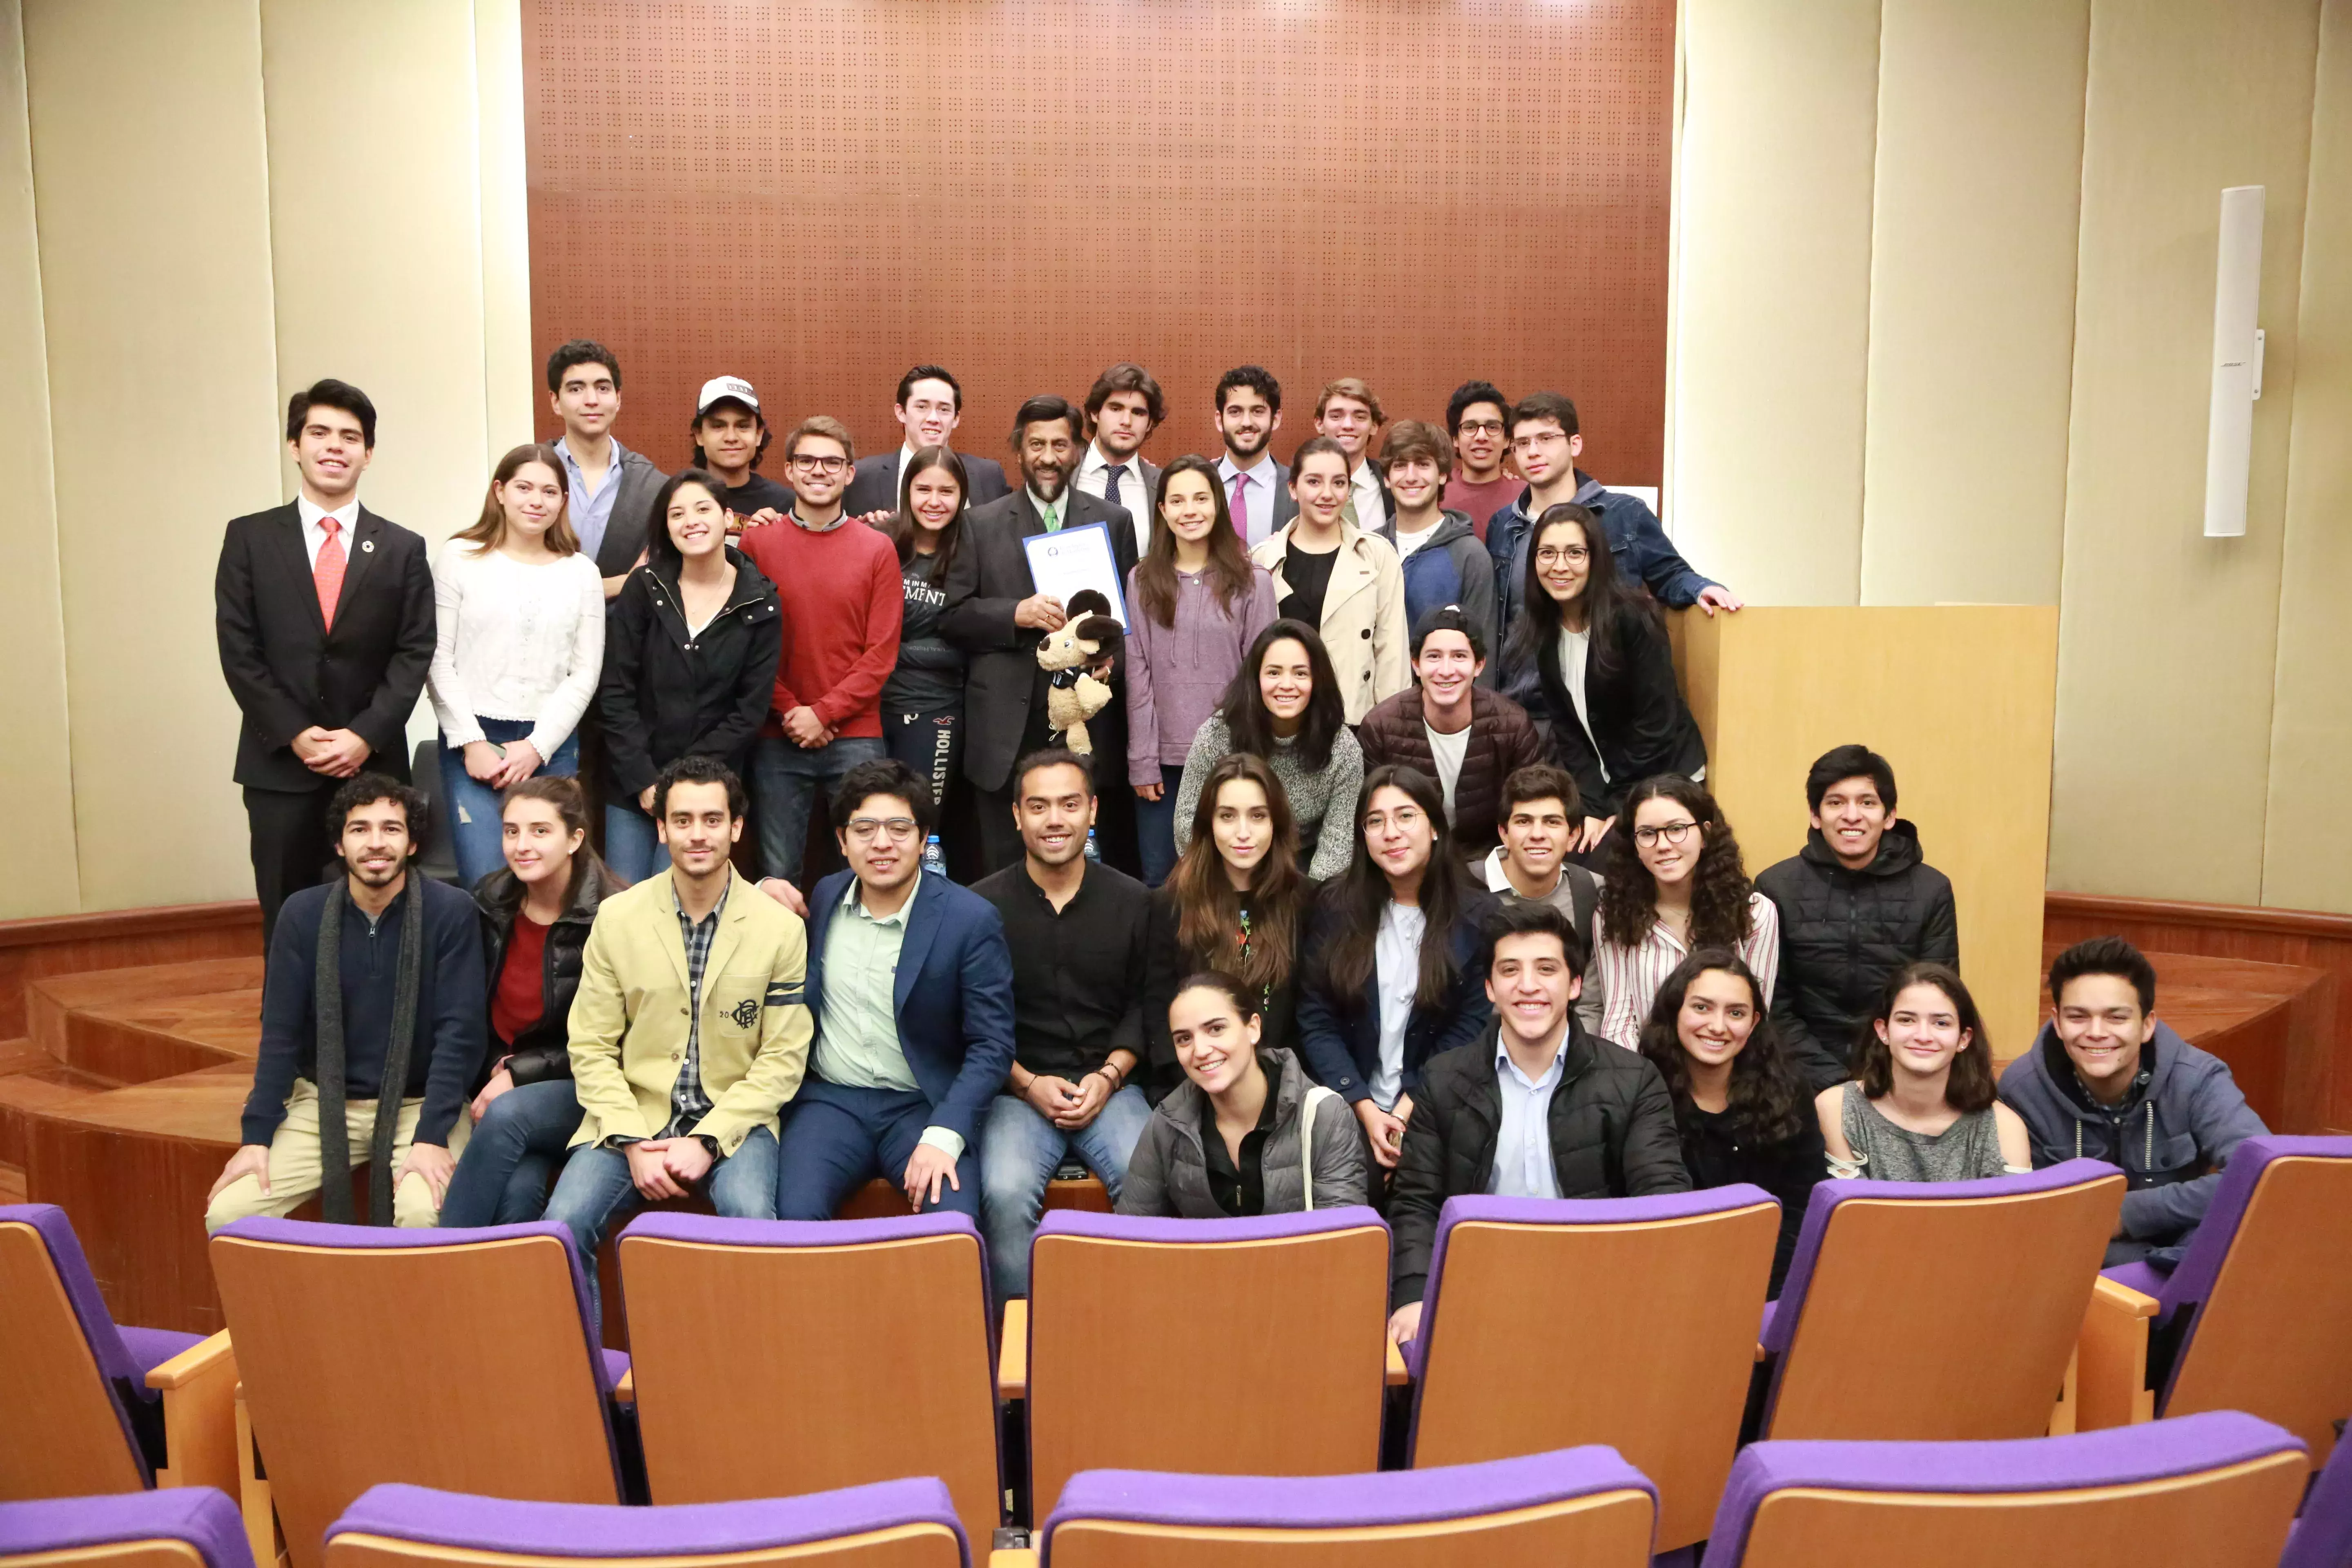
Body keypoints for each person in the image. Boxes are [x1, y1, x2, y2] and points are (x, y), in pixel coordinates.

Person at [543, 757, 810, 1306]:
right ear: (661, 829)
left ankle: (750, 1384)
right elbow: (590, 1047)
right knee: (561, 1228)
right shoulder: (618, 919)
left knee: (754, 1222)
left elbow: (782, 1059)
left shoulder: (779, 928)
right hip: (630, 1117)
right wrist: (632, 1140)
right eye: (682, 820)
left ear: (737, 828)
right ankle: (585, 1389)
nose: (697, 834)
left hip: (735, 1122)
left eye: (712, 820)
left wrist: (709, 1138)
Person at [1386, 900, 1690, 1345]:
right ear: (1490, 988)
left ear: (1575, 985)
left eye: (1547, 969)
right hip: (1475, 1292)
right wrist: (1413, 1296)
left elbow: (1663, 1199)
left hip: (1598, 1295)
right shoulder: (1444, 1079)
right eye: (1510, 971)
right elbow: (1417, 1203)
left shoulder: (1634, 1079)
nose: (1528, 986)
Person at [205, 776, 485, 1232]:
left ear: (413, 843)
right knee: (229, 1213)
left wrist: (432, 1136)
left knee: (421, 1212)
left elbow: (460, 1033)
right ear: (339, 844)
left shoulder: (451, 911)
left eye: (392, 829)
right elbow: (280, 1033)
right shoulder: (302, 914)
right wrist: (255, 1137)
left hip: (421, 1105)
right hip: (324, 1104)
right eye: (360, 830)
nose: (376, 843)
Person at [215, 379, 435, 948]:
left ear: (369, 453)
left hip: (373, 763)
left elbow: (415, 651)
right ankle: (290, 1029)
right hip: (280, 765)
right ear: (295, 445)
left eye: (350, 437)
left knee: (381, 914)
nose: (334, 446)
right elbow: (239, 650)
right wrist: (295, 734)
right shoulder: (250, 538)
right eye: (319, 433)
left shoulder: (403, 547)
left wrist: (364, 735)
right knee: (286, 910)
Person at [774, 759, 1016, 1221]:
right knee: (794, 1216)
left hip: (923, 1104)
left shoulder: (970, 920)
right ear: (843, 841)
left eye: (899, 828)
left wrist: (945, 1132)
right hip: (831, 1103)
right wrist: (765, 883)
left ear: (924, 839)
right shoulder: (825, 897)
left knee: (951, 1225)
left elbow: (993, 1044)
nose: (882, 843)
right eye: (864, 829)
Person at [973, 750, 1153, 1298]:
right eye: (1040, 806)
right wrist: (1026, 1083)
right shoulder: (980, 909)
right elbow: (973, 1021)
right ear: (1017, 816)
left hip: (1112, 1084)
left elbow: (1149, 1005)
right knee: (1003, 1192)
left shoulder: (1136, 901)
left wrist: (1108, 1077)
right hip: (1017, 1090)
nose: (1055, 820)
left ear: (1093, 810)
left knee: (1152, 1177)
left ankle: (1138, 1339)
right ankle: (1018, 1364)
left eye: (1070, 804)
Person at [940, 394, 1139, 873]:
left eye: (1060, 445)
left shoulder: (1114, 522)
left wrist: (1109, 660)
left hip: (1085, 724)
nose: (1048, 457)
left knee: (1086, 868)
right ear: (1019, 450)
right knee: (1002, 869)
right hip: (1004, 728)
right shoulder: (979, 523)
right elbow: (953, 616)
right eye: (1036, 445)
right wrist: (1016, 614)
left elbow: (1130, 626)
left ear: (1078, 450)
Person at [1999, 937, 2268, 1270]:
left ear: (2147, 1025)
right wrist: (2149, 1269)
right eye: (2078, 1017)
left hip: (2185, 1252)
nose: (2096, 1032)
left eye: (2117, 1018)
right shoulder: (2023, 1090)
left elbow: (2262, 1173)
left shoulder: (2197, 1078)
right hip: (2085, 1263)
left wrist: (2124, 1215)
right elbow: (2035, 1216)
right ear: (2057, 1022)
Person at [438, 777, 623, 1227]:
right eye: (511, 831)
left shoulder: (615, 914)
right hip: (498, 1085)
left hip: (585, 1085)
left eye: (541, 831)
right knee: (517, 1196)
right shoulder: (489, 901)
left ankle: (435, 1264)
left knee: (508, 1117)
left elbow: (624, 1042)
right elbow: (466, 1012)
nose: (523, 845)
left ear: (575, 839)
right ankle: (517, 1297)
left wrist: (521, 1074)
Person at [1296, 766, 1498, 1172]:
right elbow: (1316, 1018)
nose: (1391, 832)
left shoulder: (1479, 914)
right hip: (1345, 1103)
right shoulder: (1334, 907)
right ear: (1363, 837)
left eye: (1406, 816)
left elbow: (1469, 1028)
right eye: (1375, 821)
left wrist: (1408, 1108)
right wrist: (1364, 1108)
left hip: (1437, 1102)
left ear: (1435, 828)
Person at [426, 443, 604, 888]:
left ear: (563, 502)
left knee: (551, 881)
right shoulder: (459, 557)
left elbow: (585, 672)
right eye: (524, 488)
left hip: (552, 742)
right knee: (486, 881)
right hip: (474, 741)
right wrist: (471, 743)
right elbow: (437, 659)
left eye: (549, 491)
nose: (536, 501)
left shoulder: (581, 572)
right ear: (500, 492)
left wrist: (539, 747)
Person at [738, 416, 903, 884]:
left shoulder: (877, 549)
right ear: (788, 470)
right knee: (777, 878)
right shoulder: (757, 542)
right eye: (806, 460)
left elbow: (881, 652)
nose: (819, 471)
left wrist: (825, 714)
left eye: (833, 462)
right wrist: (794, 712)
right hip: (777, 735)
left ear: (850, 473)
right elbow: (747, 648)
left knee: (868, 874)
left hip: (856, 736)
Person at [599, 470, 783, 882]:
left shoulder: (760, 602)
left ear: (726, 517)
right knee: (623, 907)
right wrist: (646, 780)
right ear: (666, 527)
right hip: (634, 783)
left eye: (703, 509)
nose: (691, 521)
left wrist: (680, 784)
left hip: (707, 789)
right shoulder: (645, 588)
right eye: (677, 514)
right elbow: (616, 691)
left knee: (683, 910)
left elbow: (748, 712)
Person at [1755, 745, 1960, 1091]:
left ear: (1890, 815)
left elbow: (1937, 1000)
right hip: (1796, 1072)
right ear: (1816, 815)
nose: (1852, 816)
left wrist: (1876, 1079)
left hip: (1899, 1070)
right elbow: (1772, 1003)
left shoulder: (1932, 889)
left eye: (1867, 803)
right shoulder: (1775, 887)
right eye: (1836, 803)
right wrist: (1833, 1083)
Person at [1506, 503, 1707, 848]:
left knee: (1606, 861)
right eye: (1547, 553)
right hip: (1610, 786)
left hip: (1666, 779)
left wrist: (1619, 805)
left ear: (1595, 559)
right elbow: (1568, 733)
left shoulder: (1634, 617)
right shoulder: (1542, 628)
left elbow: (1655, 728)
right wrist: (1594, 807)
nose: (1560, 566)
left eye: (1574, 553)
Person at [1125, 456, 1279, 885]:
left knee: (1233, 879)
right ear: (1162, 511)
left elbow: (1262, 680)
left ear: (1218, 505)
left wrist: (1254, 757)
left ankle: (1242, 955)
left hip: (1232, 760)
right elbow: (1137, 673)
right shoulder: (1142, 580)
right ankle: (1171, 957)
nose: (1189, 510)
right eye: (1177, 500)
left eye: (1200, 498)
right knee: (1163, 881)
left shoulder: (1254, 581)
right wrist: (1142, 760)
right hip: (1163, 766)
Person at [1637, 949, 1823, 1293]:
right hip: (1668, 1280)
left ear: (1753, 1024)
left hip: (1770, 1282)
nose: (1718, 1027)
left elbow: (1802, 1205)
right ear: (1675, 1010)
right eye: (1702, 1007)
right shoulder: (1639, 1091)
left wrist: (1758, 1293)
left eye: (1735, 1013)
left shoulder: (1789, 1091)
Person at [1488, 391, 1739, 636]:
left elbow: (1670, 575)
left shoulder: (1627, 514)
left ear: (1574, 445)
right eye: (1523, 443)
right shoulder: (1503, 524)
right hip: (1522, 677)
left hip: (1604, 672)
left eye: (1546, 438)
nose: (1533, 451)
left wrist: (1701, 589)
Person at [1119, 972, 1369, 1217]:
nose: (1201, 1050)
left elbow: (1341, 1246)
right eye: (1184, 1039)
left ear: (1253, 1028)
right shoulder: (1167, 1123)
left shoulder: (1325, 1116)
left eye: (1216, 1029)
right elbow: (1128, 1240)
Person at [1144, 754, 1319, 1099]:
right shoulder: (1172, 903)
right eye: (1227, 816)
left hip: (1285, 1089)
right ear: (1209, 824)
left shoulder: (1306, 901)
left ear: (1277, 824)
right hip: (1196, 1088)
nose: (1243, 833)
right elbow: (1159, 1012)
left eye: (1258, 816)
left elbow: (1312, 1016)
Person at [1592, 775, 1779, 1049]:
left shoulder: (1755, 914)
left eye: (1677, 829)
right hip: (1644, 1074)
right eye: (1647, 833)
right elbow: (1618, 1022)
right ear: (1634, 846)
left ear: (1705, 834)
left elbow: (1752, 1024)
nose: (1663, 844)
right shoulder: (1614, 913)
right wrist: (1643, 1085)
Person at [1170, 621, 1364, 880]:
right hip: (1223, 864)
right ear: (1256, 678)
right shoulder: (1216, 734)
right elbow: (1187, 824)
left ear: (1318, 680)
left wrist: (1310, 904)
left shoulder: (1343, 748)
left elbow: (1338, 845)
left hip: (1302, 867)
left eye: (1300, 674)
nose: (1286, 684)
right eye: (1274, 673)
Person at [1356, 607, 1542, 861]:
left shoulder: (1512, 724)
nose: (1446, 670)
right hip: (1407, 859)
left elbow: (1534, 808)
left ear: (1479, 665)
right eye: (1433, 657)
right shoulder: (1380, 727)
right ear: (1416, 664)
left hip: (1491, 859)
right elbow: (1368, 818)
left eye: (1459, 656)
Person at [1818, 962, 2031, 1183]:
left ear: (1963, 1039)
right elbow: (1853, 1211)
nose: (1923, 1036)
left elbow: (2011, 1216)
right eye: (1906, 1020)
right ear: (1884, 1031)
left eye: (1941, 1023)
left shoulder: (2004, 1126)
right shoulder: (1839, 1108)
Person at [1250, 436, 1408, 723]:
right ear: (1293, 489)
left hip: (1353, 720)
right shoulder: (1262, 560)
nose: (1328, 494)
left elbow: (1392, 655)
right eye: (1314, 482)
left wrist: (1389, 730)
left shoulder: (1378, 555)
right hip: (1278, 721)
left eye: (1338, 483)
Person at [876, 446, 972, 862]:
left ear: (963, 496)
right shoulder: (881, 545)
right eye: (923, 489)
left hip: (938, 711)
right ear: (907, 492)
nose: (934, 502)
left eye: (947, 491)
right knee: (877, 821)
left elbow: (965, 643)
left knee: (921, 825)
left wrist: (896, 650)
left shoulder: (972, 553)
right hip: (875, 710)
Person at [1481, 764, 1607, 1034]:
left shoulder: (1592, 893)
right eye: (1524, 821)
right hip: (1476, 1056)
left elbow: (1589, 1005)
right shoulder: (1466, 887)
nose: (1537, 834)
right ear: (1504, 832)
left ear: (1573, 836)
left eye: (1552, 822)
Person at [545, 339, 665, 598]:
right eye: (576, 389)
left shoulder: (651, 485)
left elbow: (661, 578)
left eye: (603, 388)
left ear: (618, 399)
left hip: (626, 633)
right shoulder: (530, 475)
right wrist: (623, 583)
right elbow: (513, 574)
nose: (592, 400)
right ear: (556, 401)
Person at [1375, 422, 1496, 657]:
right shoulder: (1370, 548)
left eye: (1422, 465)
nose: (1411, 477)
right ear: (1387, 479)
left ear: (1442, 475)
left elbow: (1483, 653)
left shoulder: (1469, 555)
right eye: (1400, 466)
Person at [843, 365, 1011, 519]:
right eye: (922, 407)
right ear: (901, 413)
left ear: (956, 419)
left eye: (944, 410)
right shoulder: (861, 477)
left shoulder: (989, 476)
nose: (933, 419)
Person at [1076, 362, 1165, 561]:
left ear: (1150, 423)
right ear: (1095, 413)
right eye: (1116, 409)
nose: (1126, 421)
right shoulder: (1063, 476)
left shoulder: (1163, 485)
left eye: (1138, 413)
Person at [688, 375, 793, 523]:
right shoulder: (677, 500)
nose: (731, 437)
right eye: (718, 426)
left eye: (743, 426)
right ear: (699, 435)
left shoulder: (785, 504)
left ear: (758, 434)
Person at [1214, 365, 1294, 549]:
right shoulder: (1197, 482)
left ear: (1276, 419)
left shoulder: (1298, 489)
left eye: (1258, 411)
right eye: (1235, 412)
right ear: (1220, 420)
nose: (1247, 422)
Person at [1312, 377, 1390, 532]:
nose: (1348, 425)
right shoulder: (1299, 486)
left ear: (1374, 426)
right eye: (1336, 416)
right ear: (1320, 424)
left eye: (1360, 417)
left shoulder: (1393, 485)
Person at [1441, 380, 1515, 538]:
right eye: (1470, 427)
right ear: (1455, 438)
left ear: (1507, 440)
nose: (1481, 436)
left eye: (1493, 427)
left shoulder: (1526, 497)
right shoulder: (1435, 490)